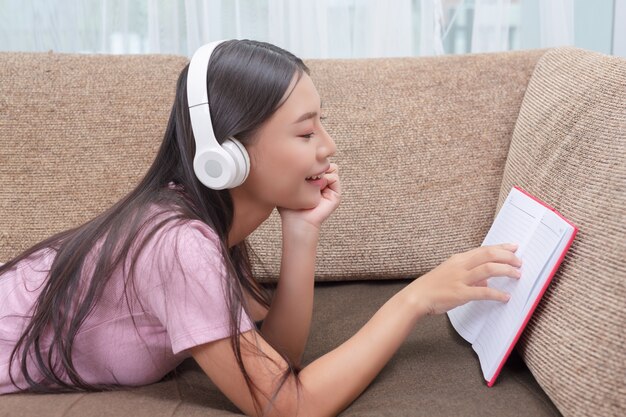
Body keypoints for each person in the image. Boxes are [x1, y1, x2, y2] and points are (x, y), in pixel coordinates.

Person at [0, 39, 523, 416]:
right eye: (305, 131)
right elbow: (287, 405)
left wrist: (302, 232)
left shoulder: (203, 224)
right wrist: (414, 300)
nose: (328, 146)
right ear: (226, 156)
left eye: (321, 123)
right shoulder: (177, 244)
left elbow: (276, 358)